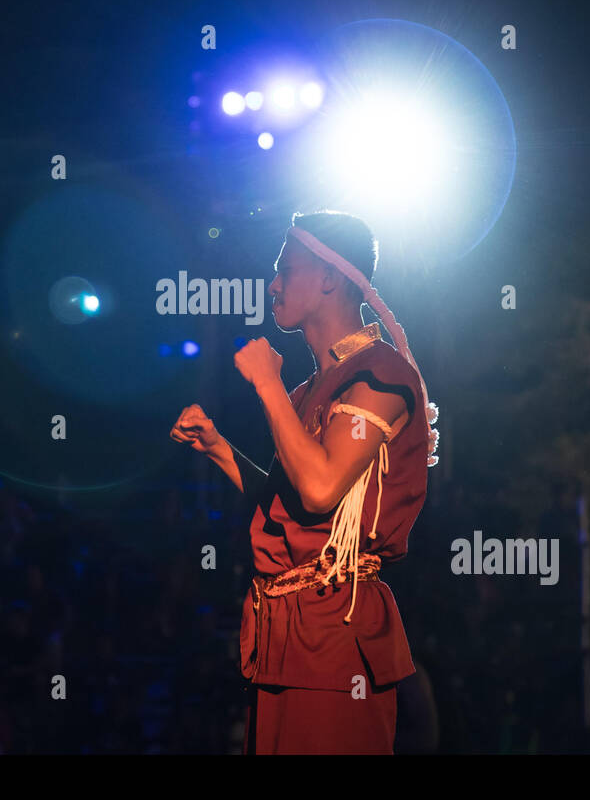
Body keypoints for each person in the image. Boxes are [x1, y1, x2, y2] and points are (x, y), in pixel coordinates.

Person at [171, 210, 439, 753]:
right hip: (288, 635)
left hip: (336, 634)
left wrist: (266, 384)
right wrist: (219, 447)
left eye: (284, 270)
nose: (272, 285)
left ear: (329, 278)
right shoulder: (307, 391)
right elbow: (287, 506)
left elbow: (319, 490)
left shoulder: (380, 373)